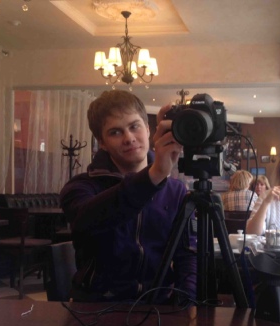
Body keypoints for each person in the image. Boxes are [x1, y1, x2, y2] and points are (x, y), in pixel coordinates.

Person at [60, 90, 197, 303]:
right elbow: (88, 218)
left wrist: (185, 302)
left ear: (148, 128)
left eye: (134, 126)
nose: (129, 138)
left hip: (159, 305)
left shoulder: (176, 191)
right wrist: (154, 176)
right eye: (115, 132)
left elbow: (187, 256)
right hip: (96, 306)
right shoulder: (80, 187)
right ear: (102, 142)